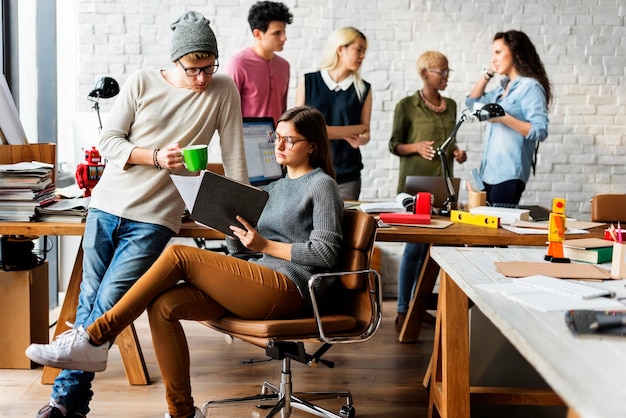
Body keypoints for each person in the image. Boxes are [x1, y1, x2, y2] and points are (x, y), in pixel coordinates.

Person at [26, 106, 344, 418]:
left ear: (312, 145)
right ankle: (181, 413)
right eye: (277, 137)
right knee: (164, 305)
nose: (279, 144)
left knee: (179, 254)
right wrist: (225, 220)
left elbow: (324, 253)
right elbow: (244, 256)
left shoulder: (321, 185)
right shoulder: (271, 189)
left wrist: (265, 244)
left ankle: (94, 338)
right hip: (259, 282)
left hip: (292, 289)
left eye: (290, 139)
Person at [32, 11, 248, 418]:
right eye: (193, 69)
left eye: (208, 67)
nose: (202, 77)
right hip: (107, 205)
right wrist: (153, 157)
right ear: (176, 61)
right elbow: (108, 140)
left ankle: (62, 400)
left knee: (110, 302)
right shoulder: (142, 82)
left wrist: (238, 222)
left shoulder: (223, 90)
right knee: (90, 303)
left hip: (155, 217)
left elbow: (235, 159)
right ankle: (69, 404)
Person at [389, 51, 466, 332]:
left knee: (433, 249)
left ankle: (418, 307)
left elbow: (449, 141)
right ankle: (402, 310)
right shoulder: (406, 106)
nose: (445, 77)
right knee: (414, 248)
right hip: (415, 187)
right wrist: (416, 147)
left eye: (447, 72)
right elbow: (394, 144)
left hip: (443, 186)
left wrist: (456, 151)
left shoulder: (453, 106)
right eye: (440, 72)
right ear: (425, 74)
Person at [466, 29, 551, 205]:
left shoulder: (530, 87)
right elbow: (471, 102)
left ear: (515, 52)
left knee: (497, 230)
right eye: (492, 54)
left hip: (509, 174)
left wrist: (503, 117)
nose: (493, 59)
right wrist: (488, 74)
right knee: (485, 227)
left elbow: (540, 130)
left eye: (498, 52)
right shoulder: (501, 89)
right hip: (487, 174)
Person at [295, 26, 372, 201]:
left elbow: (366, 130)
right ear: (340, 49)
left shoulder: (364, 89)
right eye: (359, 50)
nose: (363, 56)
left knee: (345, 225)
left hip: (347, 174)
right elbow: (298, 128)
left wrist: (362, 138)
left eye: (364, 51)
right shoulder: (308, 81)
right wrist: (351, 130)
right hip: (309, 170)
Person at [226, 1, 293, 124]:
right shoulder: (238, 63)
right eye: (277, 33)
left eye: (284, 31)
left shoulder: (284, 66)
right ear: (257, 34)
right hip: (245, 140)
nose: (284, 38)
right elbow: (228, 112)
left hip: (278, 140)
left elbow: (283, 110)